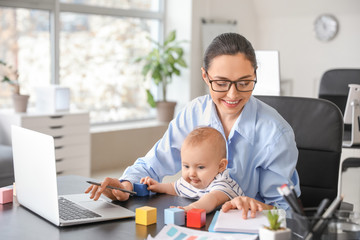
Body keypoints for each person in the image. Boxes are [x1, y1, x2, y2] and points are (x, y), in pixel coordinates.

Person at [85, 32, 300, 219]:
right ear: (205, 77)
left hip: (247, 228)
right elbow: (151, 165)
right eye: (222, 83)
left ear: (255, 76)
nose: (233, 94)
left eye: (244, 83)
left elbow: (287, 212)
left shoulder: (275, 133)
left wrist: (259, 207)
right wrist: (125, 186)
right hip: (194, 226)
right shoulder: (193, 113)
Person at [140, 126, 244, 213]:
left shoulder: (223, 183)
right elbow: (174, 187)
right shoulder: (191, 181)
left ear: (221, 166)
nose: (192, 173)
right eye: (186, 166)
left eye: (200, 167)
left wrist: (190, 209)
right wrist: (157, 186)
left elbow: (212, 199)